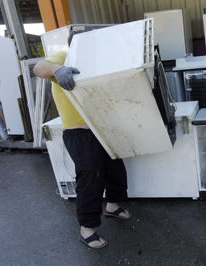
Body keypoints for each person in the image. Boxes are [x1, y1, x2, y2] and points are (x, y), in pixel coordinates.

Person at [33, 34, 131, 249]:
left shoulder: (96, 62)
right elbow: (39, 67)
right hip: (79, 132)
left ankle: (113, 206)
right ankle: (87, 228)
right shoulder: (65, 56)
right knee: (90, 178)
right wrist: (57, 70)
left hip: (103, 128)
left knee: (116, 168)